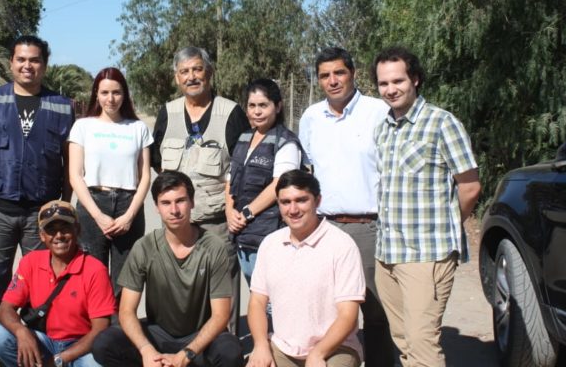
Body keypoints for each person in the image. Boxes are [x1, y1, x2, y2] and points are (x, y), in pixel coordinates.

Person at [0, 35, 76, 366]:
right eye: (22, 60)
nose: (28, 66)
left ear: (44, 64)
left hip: (41, 216)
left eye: (35, 60)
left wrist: (66, 202)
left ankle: (39, 342)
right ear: (11, 63)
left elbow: (70, 160)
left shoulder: (61, 106)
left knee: (43, 285)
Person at [371, 47, 481, 367]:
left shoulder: (441, 123)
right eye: (383, 83)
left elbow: (471, 186)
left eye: (398, 80)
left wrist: (446, 224)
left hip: (425, 254)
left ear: (415, 79)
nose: (391, 89)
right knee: (404, 341)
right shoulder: (383, 129)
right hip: (388, 253)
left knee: (422, 346)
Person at [298, 47, 395, 367]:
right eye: (324, 75)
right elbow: (308, 171)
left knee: (376, 310)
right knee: (328, 310)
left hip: (368, 227)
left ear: (352, 73)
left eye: (339, 72)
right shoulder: (311, 117)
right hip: (325, 228)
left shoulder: (378, 111)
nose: (332, 81)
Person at [91, 171, 245, 367]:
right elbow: (126, 311)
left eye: (180, 200)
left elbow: (221, 316)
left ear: (192, 202)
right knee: (105, 344)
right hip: (158, 334)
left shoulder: (213, 247)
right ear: (156, 207)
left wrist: (187, 353)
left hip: (199, 337)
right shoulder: (144, 247)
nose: (174, 210)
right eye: (166, 203)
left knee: (230, 351)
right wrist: (146, 351)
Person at [150, 46, 249, 334]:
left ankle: (225, 352)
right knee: (179, 297)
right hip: (176, 227)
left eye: (197, 69)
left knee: (222, 297)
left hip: (216, 224)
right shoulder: (167, 113)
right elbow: (156, 161)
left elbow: (241, 167)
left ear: (209, 72)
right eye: (184, 72)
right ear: (176, 78)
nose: (191, 77)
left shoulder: (230, 112)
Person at [247, 170, 365, 367]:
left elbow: (348, 314)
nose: (293, 209)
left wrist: (318, 354)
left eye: (301, 200)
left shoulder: (342, 245)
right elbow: (257, 302)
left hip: (334, 348)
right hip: (282, 347)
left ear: (317, 201)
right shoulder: (270, 243)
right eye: (285, 202)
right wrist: (260, 345)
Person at [0, 200, 116, 367]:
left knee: (97, 364)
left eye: (65, 227)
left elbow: (100, 328)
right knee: (1, 336)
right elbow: (5, 308)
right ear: (42, 236)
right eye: (51, 230)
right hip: (43, 341)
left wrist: (59, 360)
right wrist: (21, 332)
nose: (59, 235)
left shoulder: (95, 269)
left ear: (77, 230)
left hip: (80, 347)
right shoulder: (30, 262)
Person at [68, 67, 152, 292]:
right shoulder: (83, 126)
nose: (110, 98)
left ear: (124, 95)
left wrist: (129, 216)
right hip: (93, 203)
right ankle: (96, 327)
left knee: (125, 282)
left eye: (116, 92)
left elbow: (145, 176)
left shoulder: (138, 128)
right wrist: (98, 216)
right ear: (96, 94)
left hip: (128, 205)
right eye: (104, 92)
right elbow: (75, 176)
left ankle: (119, 326)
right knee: (91, 277)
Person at [226, 78, 304, 284]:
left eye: (263, 105)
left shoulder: (285, 142)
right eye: (252, 106)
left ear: (277, 106)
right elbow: (230, 177)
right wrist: (229, 210)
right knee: (256, 293)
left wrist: (246, 213)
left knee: (271, 298)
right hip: (242, 234)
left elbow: (280, 184)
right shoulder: (243, 138)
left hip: (269, 232)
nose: (257, 111)